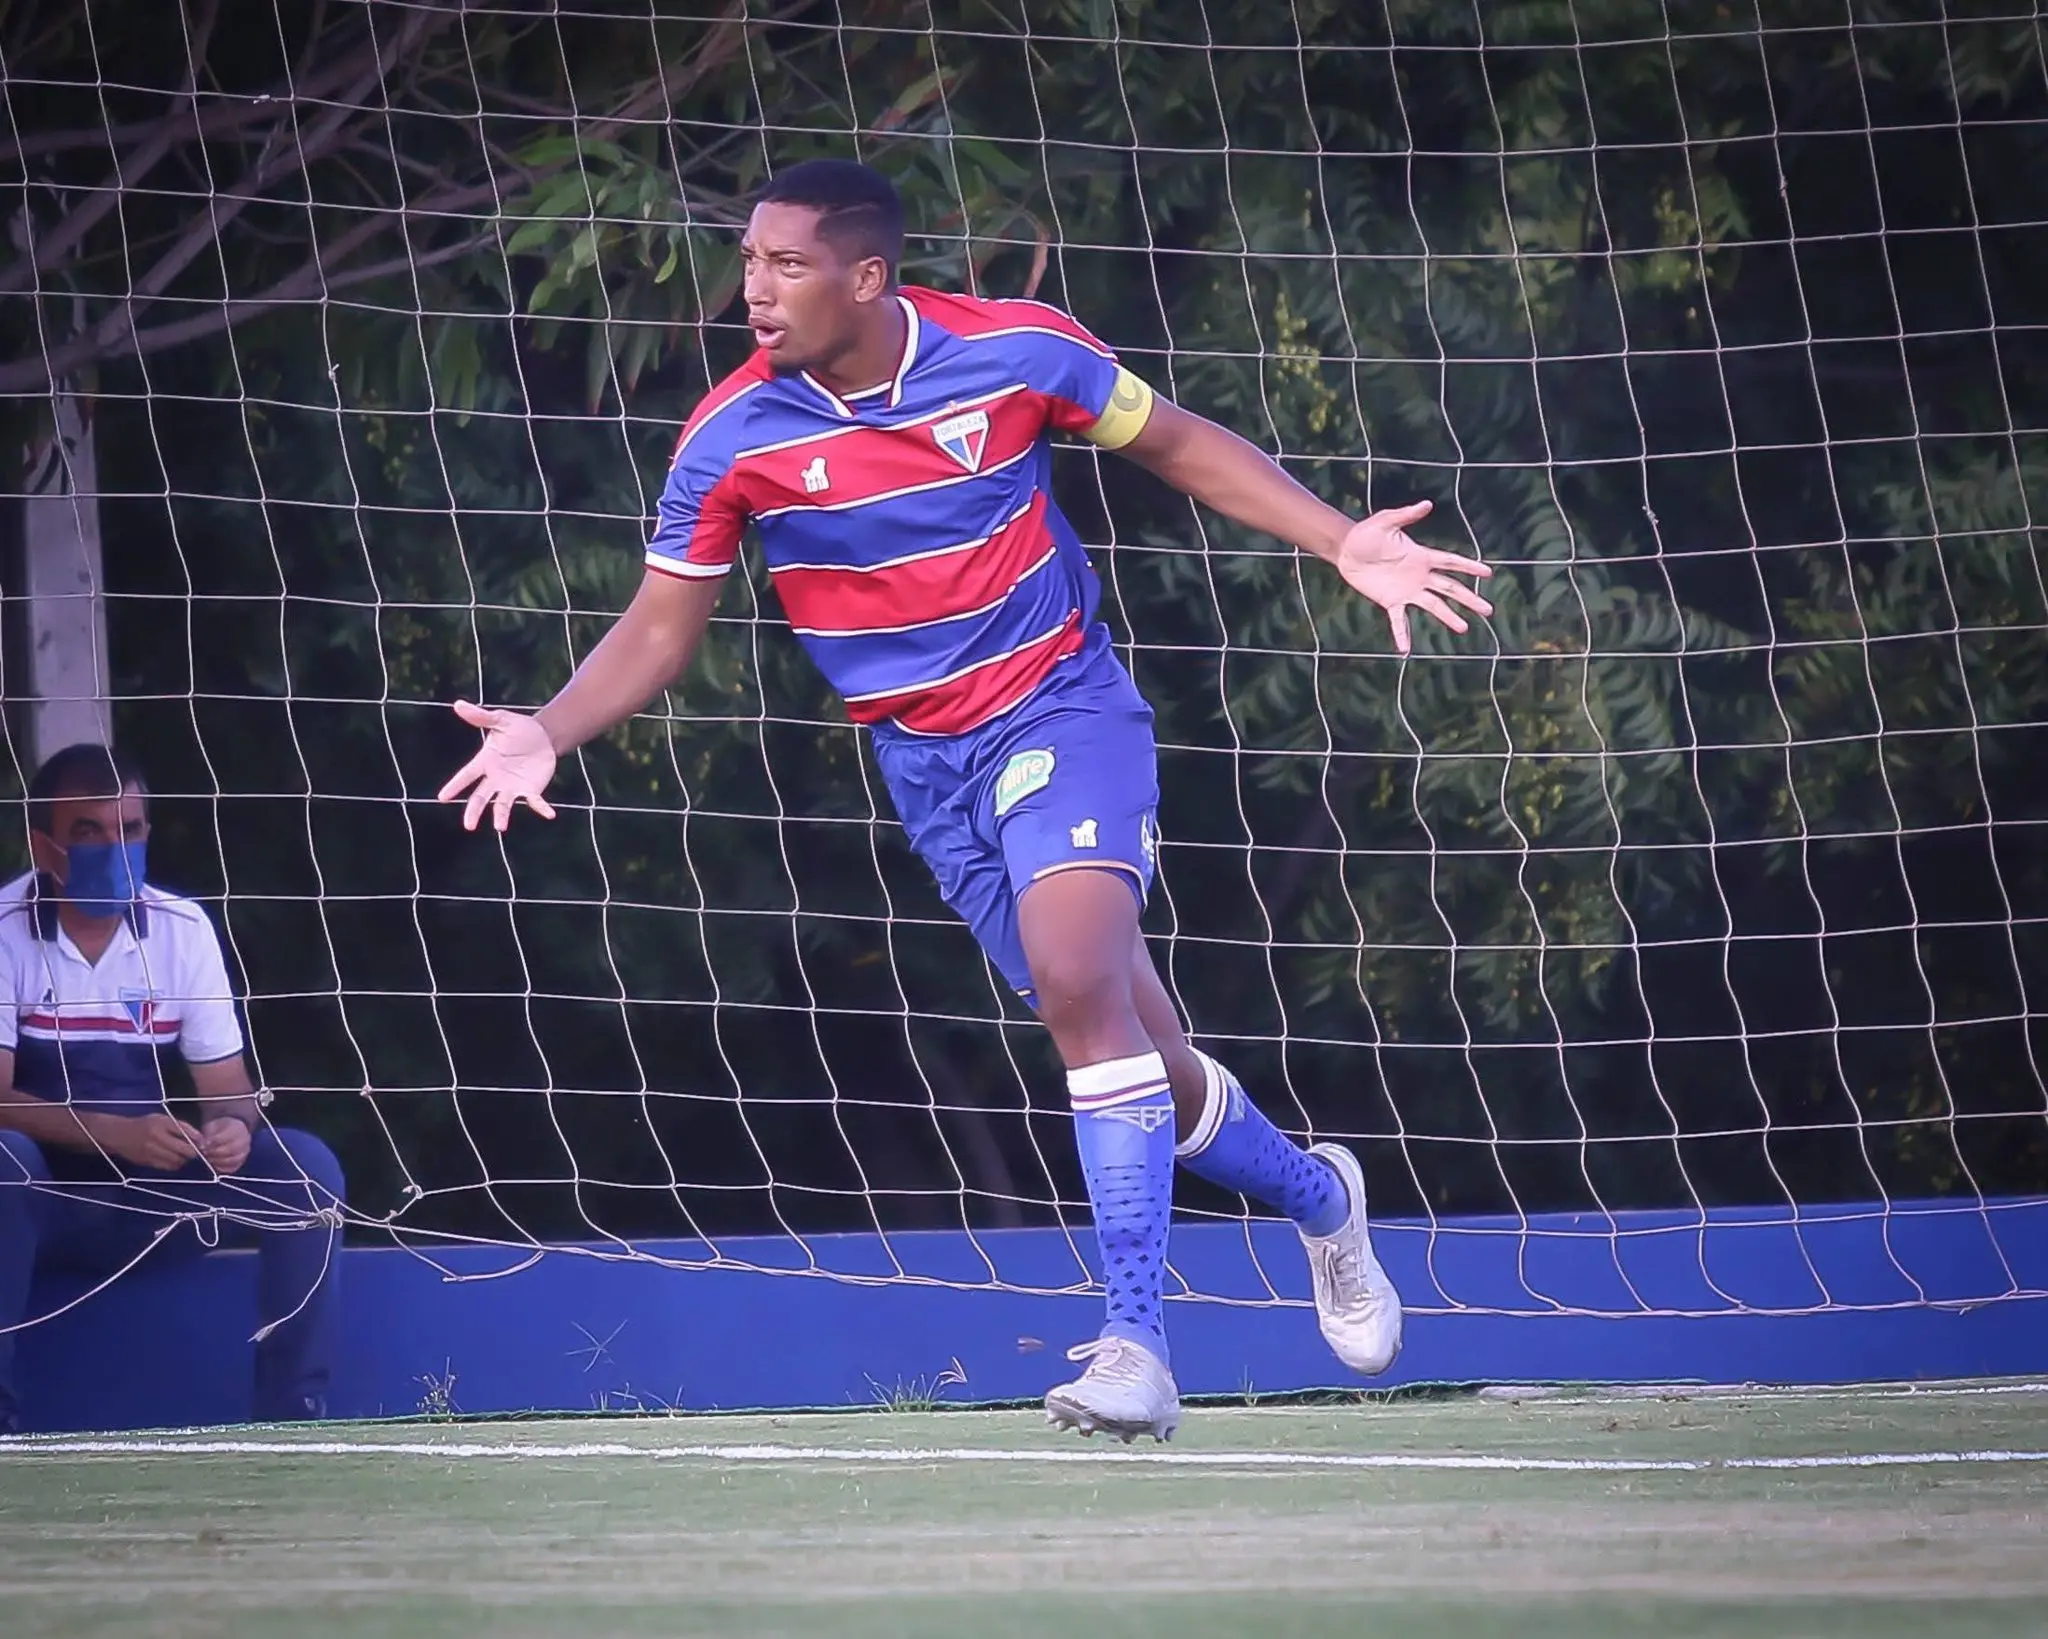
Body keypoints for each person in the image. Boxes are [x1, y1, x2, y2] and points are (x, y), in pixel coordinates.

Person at [439, 159, 1493, 1442]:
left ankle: (1135, 1348)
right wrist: (547, 727)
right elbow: (662, 629)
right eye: (750, 261)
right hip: (925, 767)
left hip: (1062, 713)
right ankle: (1322, 1199)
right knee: (1141, 1056)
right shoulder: (730, 436)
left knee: (1076, 987)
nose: (753, 289)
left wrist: (1338, 539)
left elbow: (1173, 442)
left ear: (866, 276)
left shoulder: (1014, 353)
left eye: (786, 264)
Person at [0, 744, 345, 1432]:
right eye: (89, 832)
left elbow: (229, 1091)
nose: (114, 848)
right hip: (40, 1206)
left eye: (128, 829)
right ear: (43, 846)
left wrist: (230, 1129)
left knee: (305, 1168)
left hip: (155, 1202)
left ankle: (294, 1415)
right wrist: (118, 1133)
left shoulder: (182, 928)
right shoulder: (5, 928)